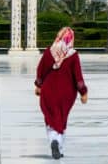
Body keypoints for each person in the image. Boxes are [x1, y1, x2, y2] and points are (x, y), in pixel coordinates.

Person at [34, 26, 88, 160]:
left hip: (48, 91)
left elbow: (40, 71)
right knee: (61, 117)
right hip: (66, 93)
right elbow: (78, 77)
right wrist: (83, 92)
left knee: (50, 118)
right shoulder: (73, 55)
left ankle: (54, 140)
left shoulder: (49, 52)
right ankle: (59, 144)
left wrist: (39, 86)